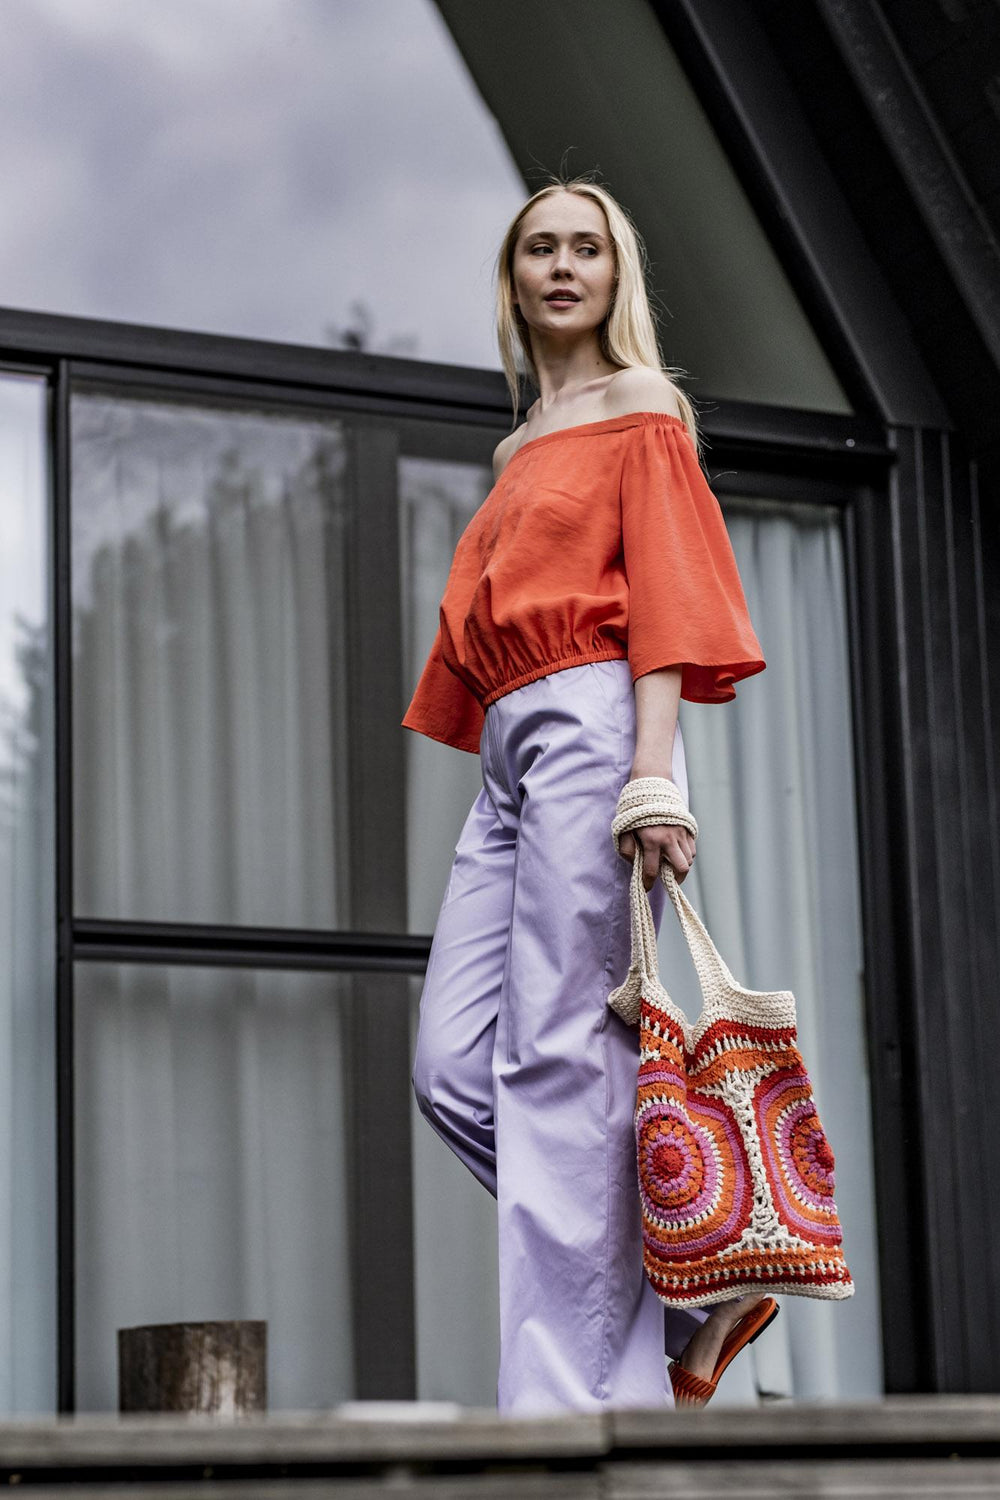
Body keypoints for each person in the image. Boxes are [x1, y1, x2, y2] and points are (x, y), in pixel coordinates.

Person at [402, 175, 773, 1415]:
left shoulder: (641, 406)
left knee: (562, 1064)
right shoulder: (518, 444)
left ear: (617, 277)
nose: (563, 266)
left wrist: (651, 775)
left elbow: (663, 598)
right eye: (539, 248)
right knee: (456, 1065)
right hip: (512, 748)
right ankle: (690, 1280)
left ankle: (568, 1414)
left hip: (590, 726)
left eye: (587, 248)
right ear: (511, 280)